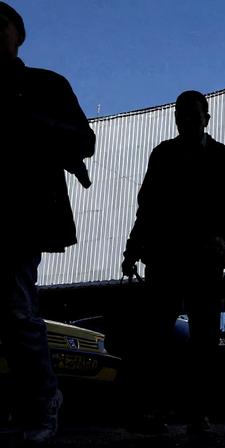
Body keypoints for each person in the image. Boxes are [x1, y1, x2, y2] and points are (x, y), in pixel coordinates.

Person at [121, 90, 225, 435]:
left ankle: (197, 413)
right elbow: (147, 207)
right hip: (166, 257)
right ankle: (157, 410)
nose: (186, 121)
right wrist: (132, 250)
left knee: (203, 337)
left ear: (206, 118)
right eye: (181, 115)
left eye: (193, 115)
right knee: (158, 336)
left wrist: (221, 236)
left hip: (203, 259)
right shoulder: (163, 155)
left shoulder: (223, 157)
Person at [0, 2, 95, 443]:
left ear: (18, 35)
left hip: (21, 212)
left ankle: (40, 402)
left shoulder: (45, 84)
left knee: (16, 309)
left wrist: (29, 121)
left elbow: (83, 139)